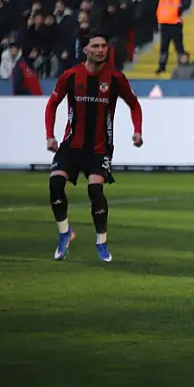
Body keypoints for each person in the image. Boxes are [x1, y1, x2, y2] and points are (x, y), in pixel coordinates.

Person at [44, 35, 144, 263]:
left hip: (100, 148)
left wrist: (137, 130)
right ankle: (64, 232)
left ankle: (101, 241)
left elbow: (134, 104)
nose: (100, 50)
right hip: (71, 144)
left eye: (103, 46)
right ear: (86, 50)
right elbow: (52, 105)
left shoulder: (116, 78)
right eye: (95, 46)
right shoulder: (71, 76)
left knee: (95, 191)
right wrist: (50, 135)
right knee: (55, 183)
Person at [155, 0, 188, 74]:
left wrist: (179, 10)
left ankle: (182, 65)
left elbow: (186, 2)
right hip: (164, 23)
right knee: (164, 46)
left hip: (175, 23)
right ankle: (162, 65)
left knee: (179, 46)